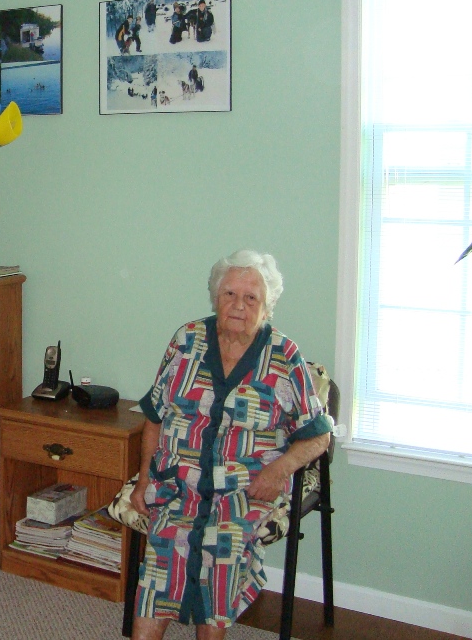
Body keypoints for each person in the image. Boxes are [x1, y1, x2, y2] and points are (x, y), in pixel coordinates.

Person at [130, 250, 332, 640]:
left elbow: (319, 435)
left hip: (243, 492)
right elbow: (155, 416)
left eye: (251, 298)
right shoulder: (186, 341)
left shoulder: (284, 357)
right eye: (229, 294)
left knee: (220, 555)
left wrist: (278, 471)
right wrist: (143, 481)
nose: (238, 305)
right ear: (216, 298)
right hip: (178, 485)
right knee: (162, 557)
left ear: (267, 307)